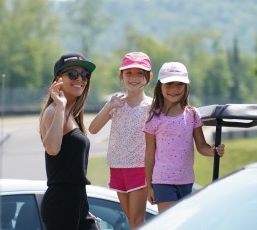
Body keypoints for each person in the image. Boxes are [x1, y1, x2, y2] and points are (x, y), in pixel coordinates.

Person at [143, 61, 225, 213]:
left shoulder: (193, 114)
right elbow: (149, 154)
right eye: (169, 84)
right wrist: (149, 187)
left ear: (186, 87)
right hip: (162, 181)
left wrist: (213, 151)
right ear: (160, 86)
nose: (174, 89)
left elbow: (201, 146)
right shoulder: (153, 117)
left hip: (187, 181)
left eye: (179, 84)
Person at [89, 52, 153, 229]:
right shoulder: (116, 103)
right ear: (121, 76)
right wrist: (109, 105)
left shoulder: (152, 106)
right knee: (131, 220)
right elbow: (93, 129)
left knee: (137, 222)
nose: (134, 78)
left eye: (140, 73)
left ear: (149, 77)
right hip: (117, 167)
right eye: (129, 73)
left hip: (139, 168)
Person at [39, 53, 98, 230]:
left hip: (77, 202)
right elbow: (52, 149)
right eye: (72, 74)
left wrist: (82, 207)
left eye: (84, 75)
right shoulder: (53, 111)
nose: (79, 79)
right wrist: (61, 106)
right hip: (61, 202)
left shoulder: (74, 115)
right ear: (58, 79)